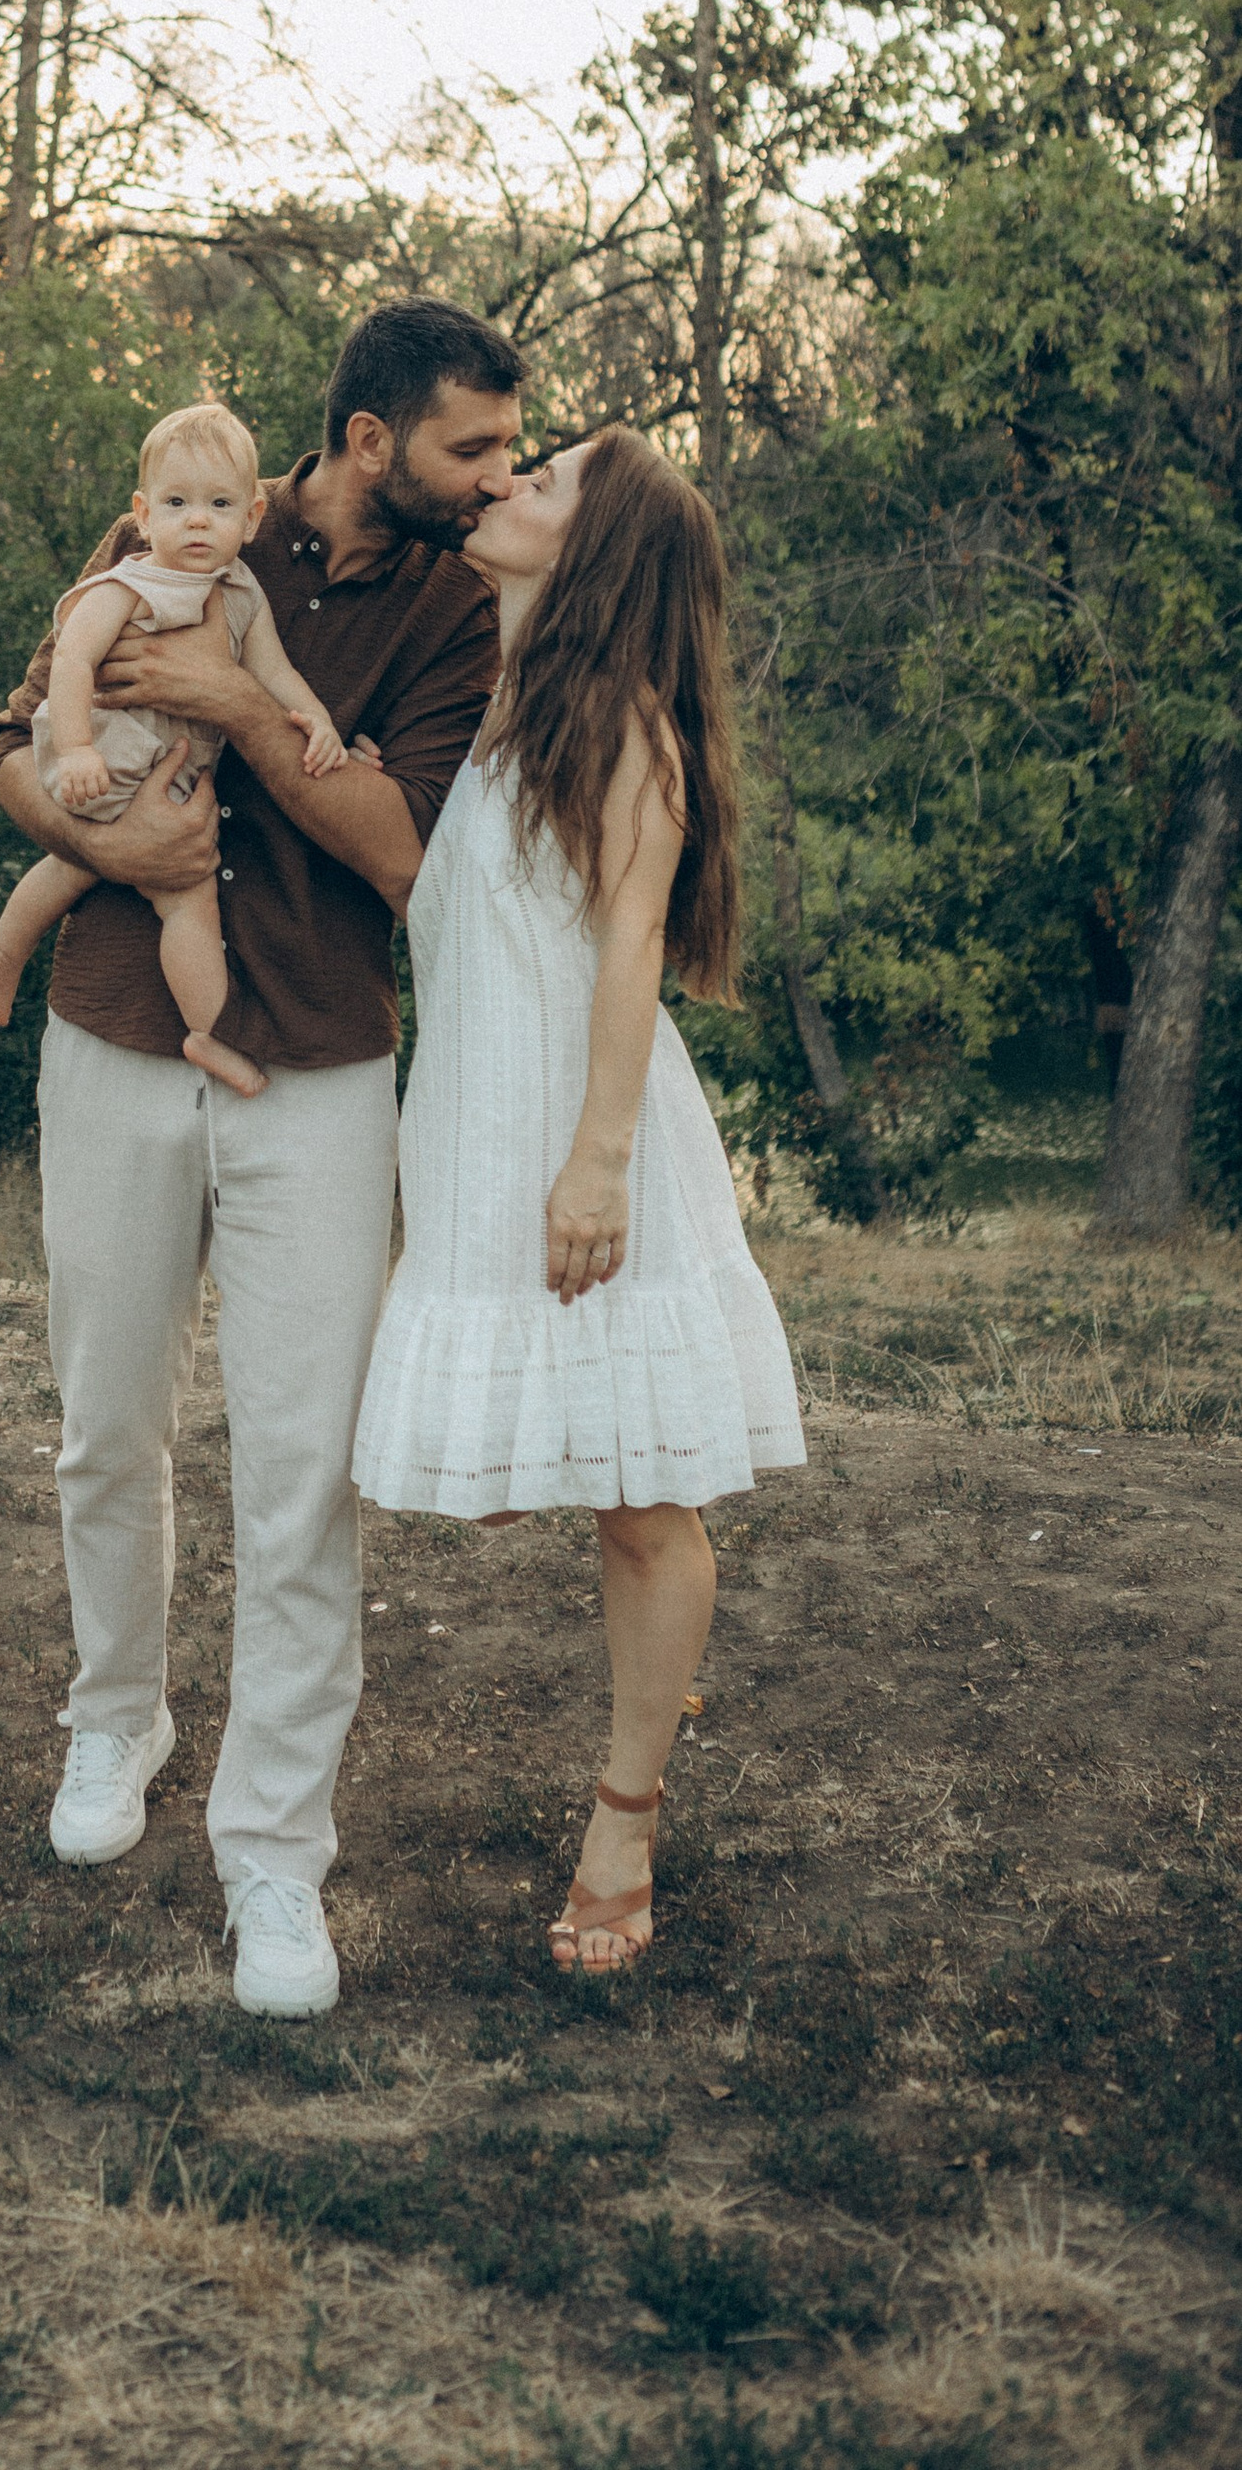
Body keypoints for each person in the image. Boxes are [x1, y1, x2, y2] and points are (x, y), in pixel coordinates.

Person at [0, 297, 524, 2016]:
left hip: (321, 1066)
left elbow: (402, 849)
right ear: (372, 444)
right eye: (472, 447)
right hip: (114, 1031)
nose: (494, 476)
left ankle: (276, 1855)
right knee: (104, 1429)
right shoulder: (183, 501)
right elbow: (19, 741)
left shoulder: (459, 616)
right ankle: (112, 1722)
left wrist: (232, 693)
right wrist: (105, 830)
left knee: (302, 1478)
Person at [349, 425, 805, 1975]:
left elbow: (628, 952)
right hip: (487, 1146)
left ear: (593, 548)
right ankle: (632, 1771)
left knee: (644, 1503)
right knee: (608, 1493)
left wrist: (598, 1162)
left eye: (542, 480)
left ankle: (627, 1820)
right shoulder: (499, 709)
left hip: (588, 1155)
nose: (505, 485)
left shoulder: (624, 731)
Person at [0, 403, 348, 1097]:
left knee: (74, 865)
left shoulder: (242, 593)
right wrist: (79, 749)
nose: (198, 519)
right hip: (112, 755)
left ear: (254, 518)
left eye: (218, 503)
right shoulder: (129, 581)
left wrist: (320, 724)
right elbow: (73, 662)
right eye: (177, 503)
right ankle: (209, 1034)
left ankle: (2, 952)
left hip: (163, 769)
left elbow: (276, 676)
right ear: (144, 516)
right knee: (186, 899)